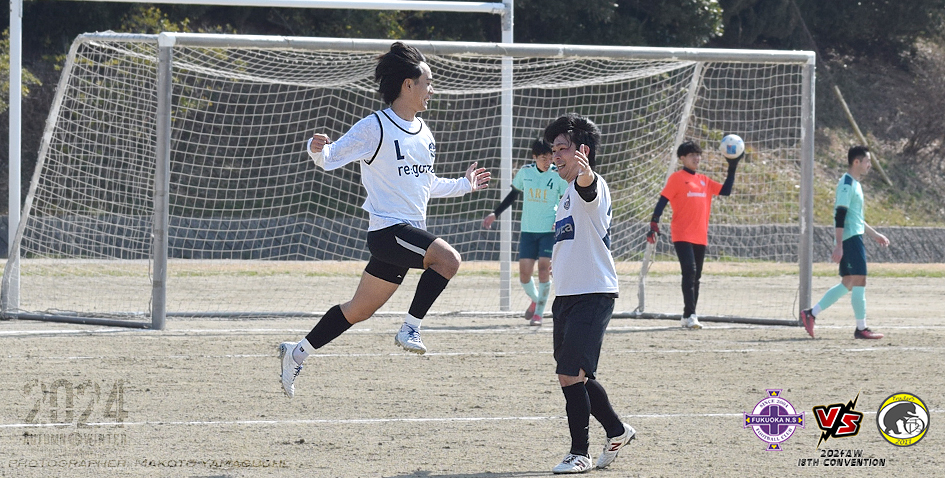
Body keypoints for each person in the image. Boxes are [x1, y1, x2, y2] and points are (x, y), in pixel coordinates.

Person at [279, 42, 491, 398]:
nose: (432, 89)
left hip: (406, 236)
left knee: (358, 310)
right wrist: (315, 149)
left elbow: (425, 184)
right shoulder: (375, 126)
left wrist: (463, 185)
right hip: (388, 232)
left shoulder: (424, 132)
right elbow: (330, 157)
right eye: (428, 82)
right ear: (408, 85)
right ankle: (410, 328)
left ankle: (296, 352)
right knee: (449, 260)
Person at [545, 114, 635, 474]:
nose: (555, 156)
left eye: (562, 149)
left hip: (593, 293)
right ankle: (617, 430)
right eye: (553, 150)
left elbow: (588, 185)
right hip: (566, 296)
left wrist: (584, 172)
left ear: (582, 151)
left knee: (570, 374)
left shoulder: (589, 184)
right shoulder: (565, 194)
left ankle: (578, 453)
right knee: (576, 375)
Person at [645, 140, 740, 329]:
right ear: (682, 158)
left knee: (696, 276)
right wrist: (654, 222)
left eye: (698, 155)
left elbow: (726, 191)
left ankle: (688, 314)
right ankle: (690, 315)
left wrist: (732, 166)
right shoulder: (677, 178)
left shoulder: (704, 180)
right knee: (689, 271)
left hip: (700, 235)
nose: (697, 158)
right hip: (681, 234)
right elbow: (662, 201)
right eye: (692, 155)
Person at [801, 146, 888, 340]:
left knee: (849, 282)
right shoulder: (847, 184)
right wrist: (839, 245)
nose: (869, 165)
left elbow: (856, 217)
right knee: (859, 280)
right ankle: (861, 328)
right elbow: (840, 214)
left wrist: (875, 234)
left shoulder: (855, 183)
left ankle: (811, 314)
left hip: (854, 237)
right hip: (849, 239)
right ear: (856, 162)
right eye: (867, 161)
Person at [482, 137, 569, 326]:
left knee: (544, 270)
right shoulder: (525, 172)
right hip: (528, 231)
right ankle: (537, 300)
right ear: (534, 157)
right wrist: (495, 214)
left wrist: (560, 221)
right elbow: (513, 195)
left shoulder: (557, 175)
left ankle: (538, 314)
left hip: (549, 231)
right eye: (544, 158)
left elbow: (565, 200)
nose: (548, 162)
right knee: (524, 276)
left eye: (550, 158)